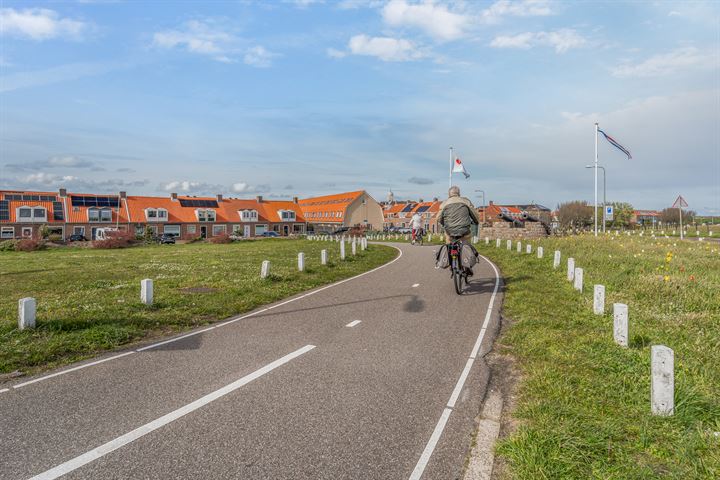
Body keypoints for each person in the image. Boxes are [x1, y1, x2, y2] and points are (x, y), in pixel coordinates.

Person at [438, 186, 480, 273]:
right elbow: (474, 214)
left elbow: (439, 218)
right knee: (466, 244)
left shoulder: (444, 204)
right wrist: (476, 222)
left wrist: (444, 224)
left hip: (449, 231)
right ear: (459, 193)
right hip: (464, 230)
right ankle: (467, 265)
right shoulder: (465, 201)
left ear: (449, 194)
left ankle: (450, 264)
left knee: (449, 242)